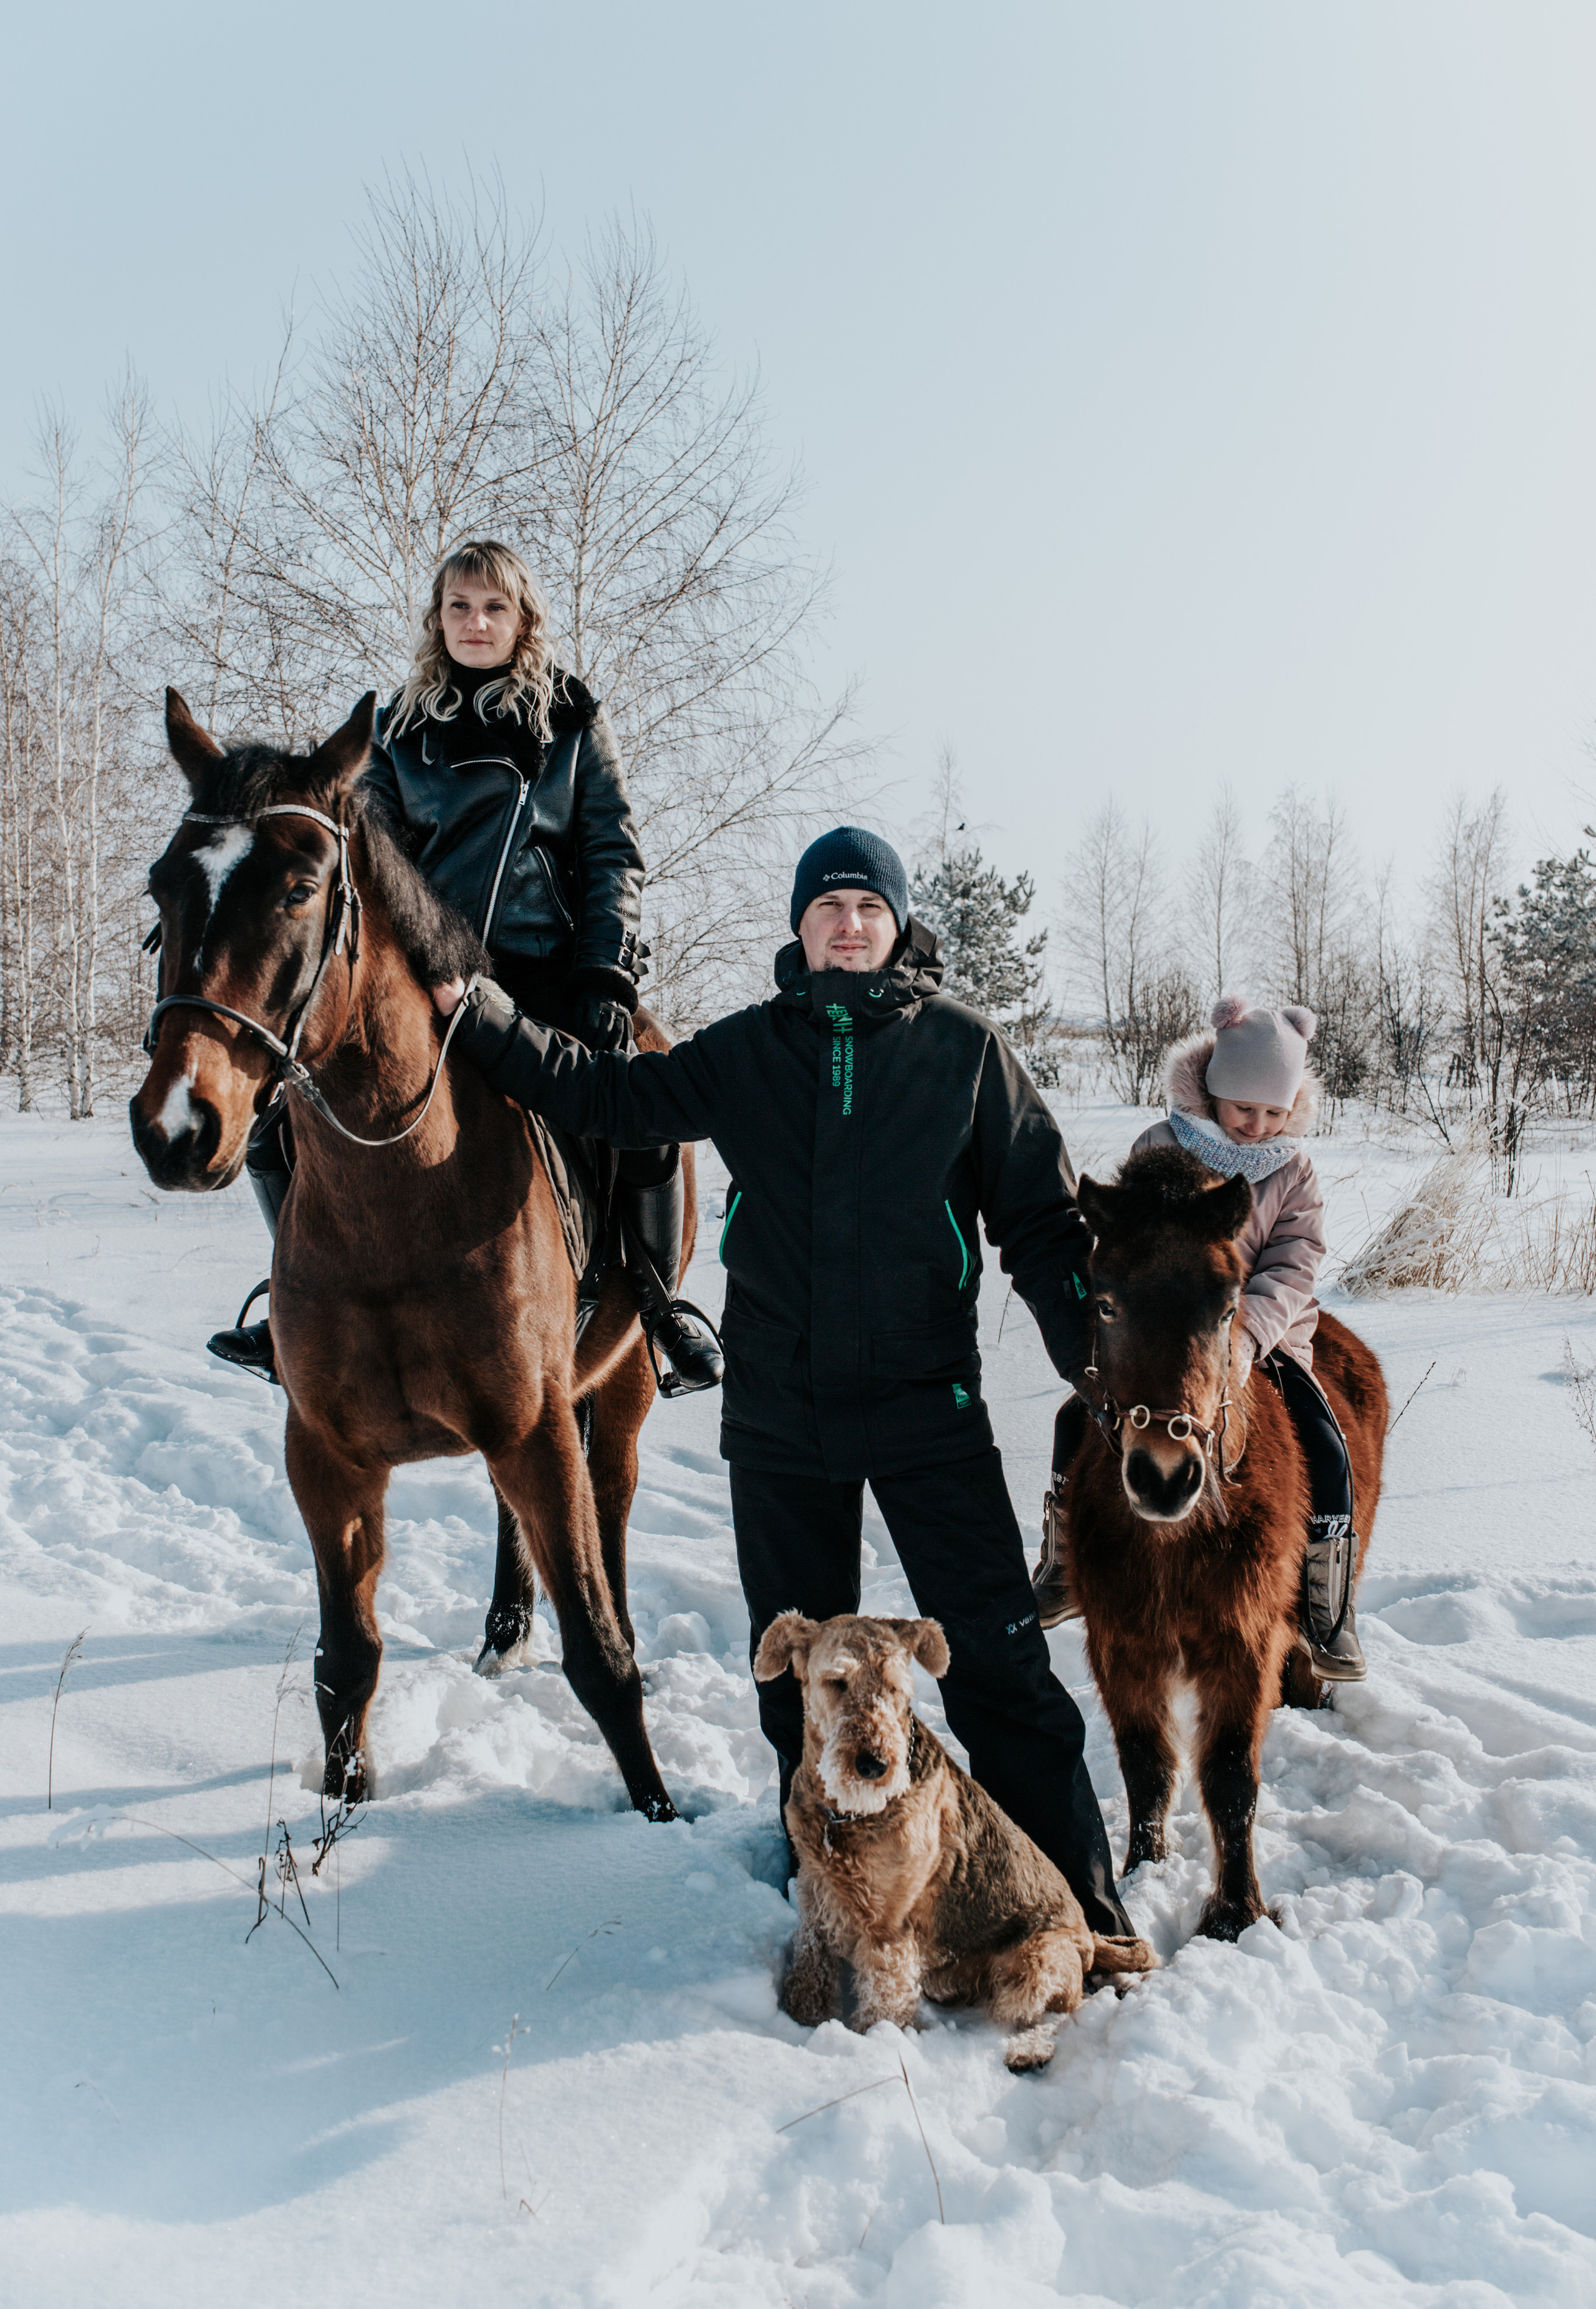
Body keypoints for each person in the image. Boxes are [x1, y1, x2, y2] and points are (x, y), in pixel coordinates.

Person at [430, 825, 1141, 1939]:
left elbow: (1044, 1226)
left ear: (898, 926)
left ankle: (1076, 1904)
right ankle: (828, 1883)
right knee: (792, 1677)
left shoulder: (965, 1053)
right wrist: (482, 1018)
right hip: (781, 1419)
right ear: (801, 928)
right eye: (828, 909)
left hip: (929, 1410)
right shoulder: (750, 1050)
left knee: (1001, 1668)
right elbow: (607, 1096)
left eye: (869, 908)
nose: (849, 926)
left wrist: (1096, 1369)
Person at [205, 539, 721, 1397]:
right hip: (427, 976)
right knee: (277, 1117)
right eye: (459, 607)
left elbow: (612, 854)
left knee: (642, 1108)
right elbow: (370, 865)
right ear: (437, 620)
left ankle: (657, 1303)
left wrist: (606, 977)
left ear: (522, 621)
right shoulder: (396, 732)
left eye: (493, 608)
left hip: (548, 971)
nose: (475, 623)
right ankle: (293, 1305)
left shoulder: (571, 722)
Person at [1031, 995, 1364, 1684]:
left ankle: (1326, 1609)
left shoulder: (1292, 1169)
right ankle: (1063, 1561)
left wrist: (1247, 1335)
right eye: (1244, 1108)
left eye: (1273, 1112)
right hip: (1163, 1336)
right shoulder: (1162, 1143)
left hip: (1267, 1334)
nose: (1257, 1125)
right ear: (1213, 1092)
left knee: (1325, 1444)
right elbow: (1127, 1241)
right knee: (1075, 1421)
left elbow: (1296, 1260)